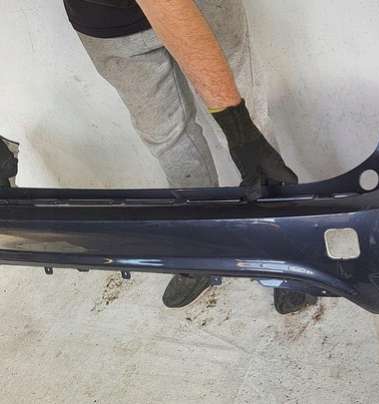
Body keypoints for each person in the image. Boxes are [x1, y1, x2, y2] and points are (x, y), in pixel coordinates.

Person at [61, 0, 316, 313]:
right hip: (104, 21)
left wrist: (240, 129)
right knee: (165, 135)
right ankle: (201, 244)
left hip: (198, 6)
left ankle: (283, 248)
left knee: (249, 122)